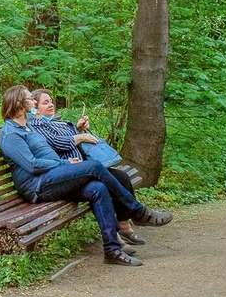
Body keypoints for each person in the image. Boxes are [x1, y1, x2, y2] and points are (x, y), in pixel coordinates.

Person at [0, 84, 172, 267]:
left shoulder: (28, 127)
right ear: (18, 103)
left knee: (98, 188)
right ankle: (138, 211)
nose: (33, 101)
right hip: (38, 185)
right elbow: (32, 165)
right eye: (29, 98)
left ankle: (112, 250)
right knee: (94, 167)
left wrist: (69, 152)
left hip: (53, 176)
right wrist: (64, 163)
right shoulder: (11, 134)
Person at [29, 88, 146, 247]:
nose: (51, 105)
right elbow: (57, 143)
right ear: (35, 107)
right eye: (45, 102)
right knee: (100, 187)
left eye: (51, 101)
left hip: (79, 166)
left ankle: (124, 226)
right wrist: (81, 136)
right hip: (66, 171)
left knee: (122, 176)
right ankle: (120, 231)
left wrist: (78, 129)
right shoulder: (37, 124)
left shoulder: (53, 121)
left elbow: (65, 137)